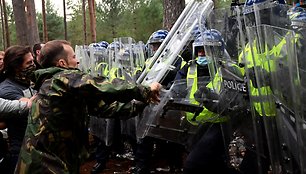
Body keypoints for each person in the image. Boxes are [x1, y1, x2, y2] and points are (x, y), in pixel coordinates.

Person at [14, 40, 161, 174]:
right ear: (62, 63)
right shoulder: (60, 80)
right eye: (73, 57)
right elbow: (101, 85)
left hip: (58, 160)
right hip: (44, 165)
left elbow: (106, 109)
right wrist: (145, 90)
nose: (77, 61)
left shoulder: (65, 88)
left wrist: (143, 102)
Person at [0, 45, 36, 173]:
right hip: (21, 150)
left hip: (34, 146)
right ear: (16, 67)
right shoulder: (7, 89)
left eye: (33, 60)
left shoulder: (27, 81)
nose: (33, 65)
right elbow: (29, 104)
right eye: (29, 62)